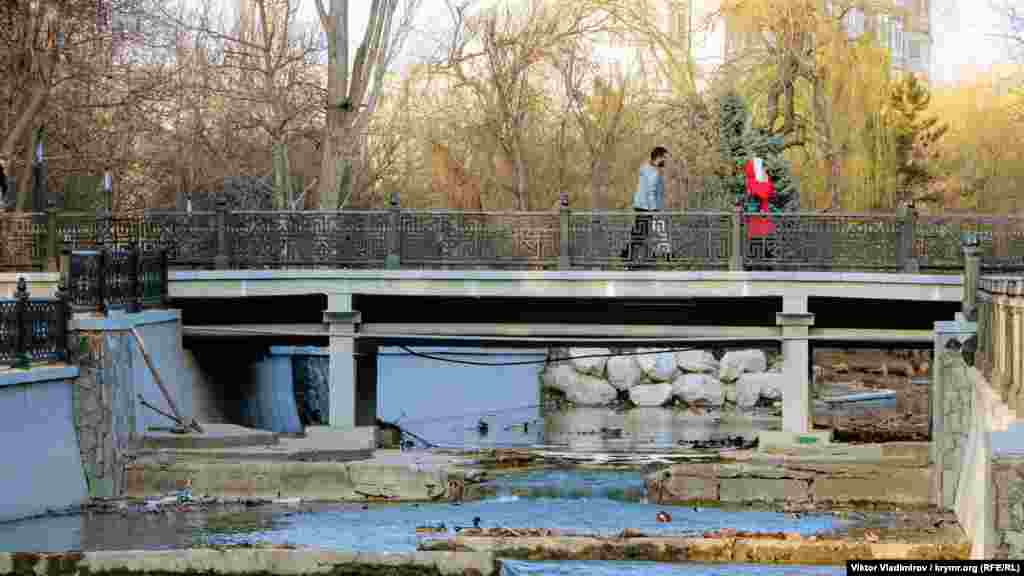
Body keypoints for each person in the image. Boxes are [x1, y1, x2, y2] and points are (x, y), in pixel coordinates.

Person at [622, 146, 668, 267]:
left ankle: (628, 255)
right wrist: (654, 210)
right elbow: (651, 192)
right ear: (658, 157)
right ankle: (630, 258)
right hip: (647, 208)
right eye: (664, 158)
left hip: (640, 205)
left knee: (639, 233)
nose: (665, 161)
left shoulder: (646, 168)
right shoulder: (653, 173)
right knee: (641, 234)